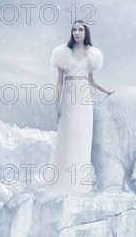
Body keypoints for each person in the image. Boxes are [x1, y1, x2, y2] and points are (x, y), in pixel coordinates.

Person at [44, 20, 115, 196]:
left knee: (82, 141)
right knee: (66, 140)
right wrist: (57, 104)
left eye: (80, 30)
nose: (77, 32)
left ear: (86, 33)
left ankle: (79, 186)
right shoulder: (63, 53)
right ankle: (60, 184)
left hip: (84, 101)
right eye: (74, 29)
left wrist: (106, 91)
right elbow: (59, 82)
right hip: (69, 100)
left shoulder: (91, 55)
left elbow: (90, 80)